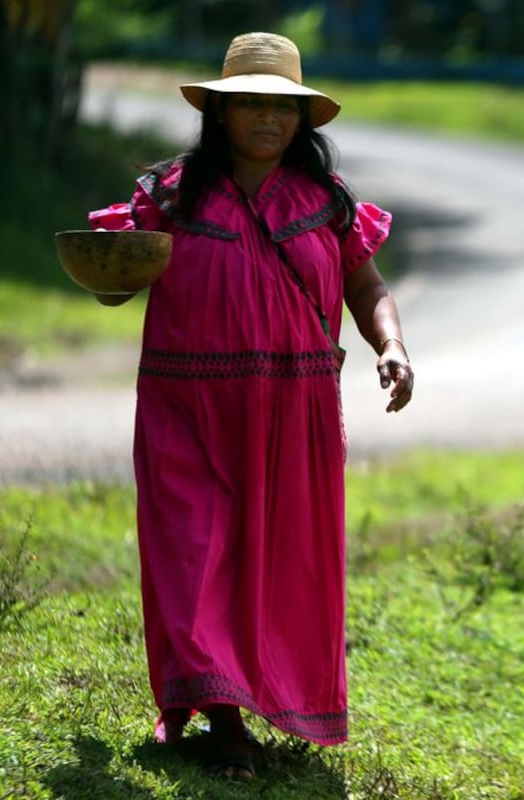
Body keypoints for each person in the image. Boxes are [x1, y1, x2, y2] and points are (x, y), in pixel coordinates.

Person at [87, 32, 413, 780]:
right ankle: (225, 722)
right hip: (186, 409)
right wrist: (111, 268)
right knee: (196, 553)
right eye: (251, 104)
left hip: (291, 415)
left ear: (303, 121)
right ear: (221, 114)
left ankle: (270, 699)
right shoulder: (171, 195)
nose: (267, 119)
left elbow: (367, 288)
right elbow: (114, 279)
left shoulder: (326, 205)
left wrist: (390, 347)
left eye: (282, 107)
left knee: (276, 563)